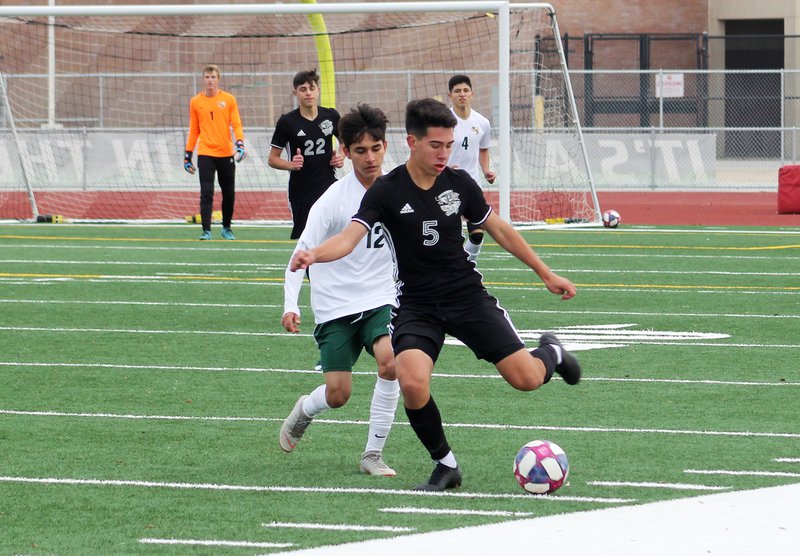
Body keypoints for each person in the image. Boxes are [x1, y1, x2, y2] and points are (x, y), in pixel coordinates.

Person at [290, 98, 582, 492]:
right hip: (416, 305)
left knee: (527, 379)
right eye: (436, 145)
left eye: (449, 144)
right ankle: (446, 465)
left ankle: (553, 353)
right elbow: (348, 238)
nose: (444, 153)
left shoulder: (459, 183)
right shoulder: (387, 191)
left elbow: (499, 229)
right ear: (412, 142)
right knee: (410, 379)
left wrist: (545, 272)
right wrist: (312, 255)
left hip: (467, 298)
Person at [279, 103, 400, 477]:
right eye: (360, 150)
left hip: (382, 298)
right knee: (338, 394)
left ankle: (372, 455)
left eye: (376, 148)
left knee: (392, 361)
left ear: (385, 146)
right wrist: (290, 304)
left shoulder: (399, 189)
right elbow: (301, 255)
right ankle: (305, 408)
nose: (370, 158)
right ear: (344, 152)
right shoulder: (331, 201)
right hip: (335, 306)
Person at [268, 69, 345, 239]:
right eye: (303, 89)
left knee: (333, 235)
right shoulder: (287, 122)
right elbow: (272, 159)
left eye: (311, 88)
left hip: (328, 187)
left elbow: (344, 142)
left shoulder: (331, 116)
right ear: (295, 93)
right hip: (301, 191)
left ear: (318, 90)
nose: (308, 93)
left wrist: (340, 156)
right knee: (306, 240)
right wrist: (291, 165)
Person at [184, 64, 246, 241]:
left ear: (218, 79)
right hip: (205, 153)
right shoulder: (196, 101)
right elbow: (194, 130)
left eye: (213, 77)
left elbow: (236, 124)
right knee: (206, 191)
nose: (210, 80)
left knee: (229, 192)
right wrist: (188, 156)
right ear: (203, 79)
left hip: (226, 153)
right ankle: (206, 231)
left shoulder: (229, 99)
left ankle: (227, 228)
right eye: (207, 77)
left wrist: (239, 144)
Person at [447, 74, 496, 262]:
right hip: (446, 185)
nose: (462, 94)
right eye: (457, 91)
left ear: (472, 94)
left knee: (477, 235)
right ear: (450, 95)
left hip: (472, 185)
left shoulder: (482, 122)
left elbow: (483, 149)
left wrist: (486, 171)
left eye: (465, 90)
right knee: (450, 237)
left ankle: (468, 264)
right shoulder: (444, 121)